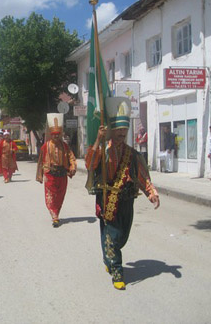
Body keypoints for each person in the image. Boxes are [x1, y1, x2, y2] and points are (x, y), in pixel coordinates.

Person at [85, 97, 160, 290]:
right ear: (112, 131)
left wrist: (151, 192)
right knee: (112, 234)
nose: (122, 134)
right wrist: (98, 140)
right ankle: (117, 271)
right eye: (119, 131)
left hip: (127, 200)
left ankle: (108, 257)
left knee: (121, 235)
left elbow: (141, 175)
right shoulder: (103, 150)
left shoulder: (132, 154)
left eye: (124, 131)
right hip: (107, 197)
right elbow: (90, 165)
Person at [36, 114, 77, 227]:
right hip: (50, 173)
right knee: (51, 195)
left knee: (60, 195)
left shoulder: (65, 146)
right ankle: (54, 216)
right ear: (51, 135)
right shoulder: (46, 146)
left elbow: (71, 157)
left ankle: (56, 213)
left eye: (58, 135)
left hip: (62, 173)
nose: (56, 137)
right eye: (54, 135)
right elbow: (40, 160)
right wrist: (39, 174)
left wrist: (73, 166)